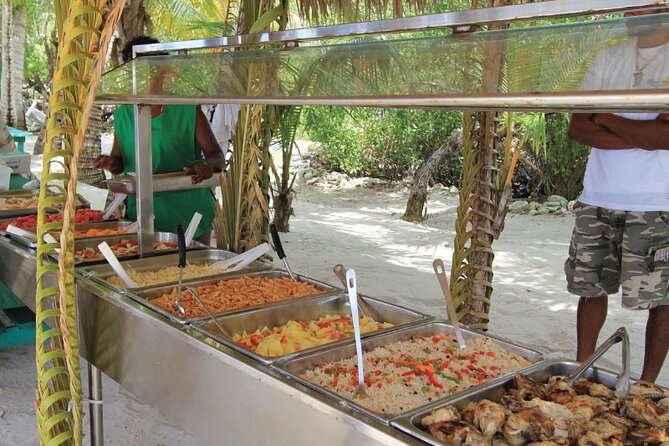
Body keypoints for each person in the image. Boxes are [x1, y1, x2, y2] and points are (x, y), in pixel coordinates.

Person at [565, 7, 669, 383]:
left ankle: (647, 384)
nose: (636, 12)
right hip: (599, 195)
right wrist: (643, 132)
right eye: (632, 5)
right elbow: (579, 128)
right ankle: (581, 369)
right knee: (589, 287)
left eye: (648, 5)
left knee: (661, 298)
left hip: (658, 202)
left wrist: (606, 117)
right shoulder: (608, 58)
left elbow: (666, 138)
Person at [95, 36, 225, 244]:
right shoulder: (123, 114)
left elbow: (218, 157)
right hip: (143, 214)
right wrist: (112, 163)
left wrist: (206, 166)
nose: (150, 77)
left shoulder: (186, 108)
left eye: (155, 70)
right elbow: (119, 161)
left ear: (164, 70)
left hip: (190, 213)